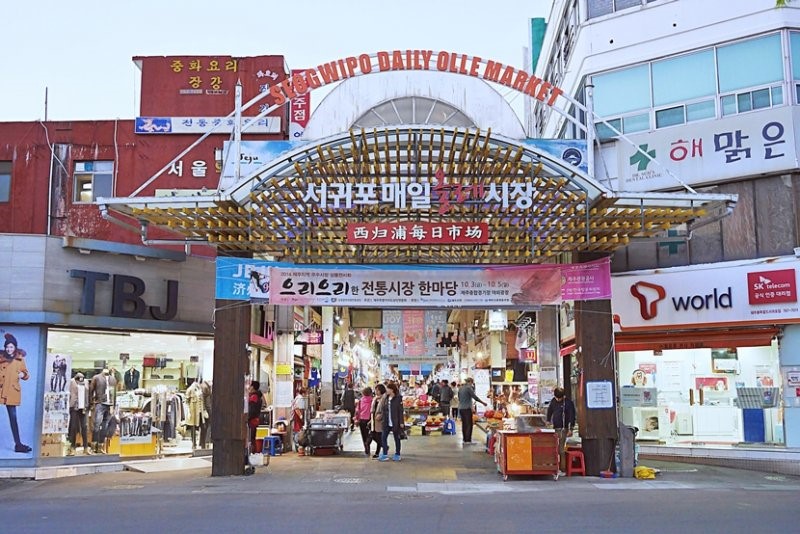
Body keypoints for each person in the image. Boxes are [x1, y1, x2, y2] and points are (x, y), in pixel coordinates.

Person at [0, 333, 32, 453]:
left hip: (11, 390)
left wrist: (22, 375)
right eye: (7, 347)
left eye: (11, 347)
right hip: (1, 388)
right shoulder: (0, 358)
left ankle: (18, 444)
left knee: (13, 418)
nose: (9, 349)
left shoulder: (20, 359)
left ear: (15, 348)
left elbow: (27, 374)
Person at [546, 387, 576, 475]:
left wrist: (571, 429)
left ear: (563, 396)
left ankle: (562, 469)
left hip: (563, 428)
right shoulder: (553, 401)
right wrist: (548, 420)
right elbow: (550, 411)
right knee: (554, 448)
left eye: (559, 398)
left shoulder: (568, 403)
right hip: (555, 428)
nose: (557, 399)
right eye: (556, 398)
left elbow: (572, 416)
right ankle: (554, 466)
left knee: (561, 449)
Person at [89, 367, 117, 454]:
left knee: (105, 426)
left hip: (109, 404)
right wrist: (91, 403)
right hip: (100, 403)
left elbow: (114, 393)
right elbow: (91, 391)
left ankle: (100, 446)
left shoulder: (113, 379)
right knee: (97, 424)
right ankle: (94, 446)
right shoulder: (96, 377)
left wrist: (114, 405)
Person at [457, 377, 487, 445]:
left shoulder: (461, 388)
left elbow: (459, 398)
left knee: (464, 424)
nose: (472, 384)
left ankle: (465, 439)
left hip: (461, 408)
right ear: (470, 382)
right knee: (469, 424)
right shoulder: (468, 388)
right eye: (472, 383)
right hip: (467, 409)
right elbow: (475, 397)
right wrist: (483, 403)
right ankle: (468, 440)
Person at [379, 382, 404, 462]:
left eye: (387, 388)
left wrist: (401, 422)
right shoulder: (385, 397)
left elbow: (400, 411)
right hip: (386, 421)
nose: (386, 390)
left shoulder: (398, 398)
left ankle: (397, 454)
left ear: (392, 389)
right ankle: (385, 454)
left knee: (397, 438)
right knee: (383, 437)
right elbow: (383, 408)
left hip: (395, 422)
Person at [67, 373, 91, 456]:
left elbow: (88, 394)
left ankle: (86, 447)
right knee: (73, 427)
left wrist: (88, 405)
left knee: (84, 427)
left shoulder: (86, 382)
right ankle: (72, 447)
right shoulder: (71, 382)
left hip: (83, 407)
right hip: (74, 407)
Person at [355, 386, 374, 456]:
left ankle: (367, 448)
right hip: (370, 419)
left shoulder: (360, 401)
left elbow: (357, 411)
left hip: (362, 419)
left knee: (364, 434)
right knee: (371, 433)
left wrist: (357, 419)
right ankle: (368, 442)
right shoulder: (372, 401)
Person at [247, 381, 263, 452]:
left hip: (252, 421)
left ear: (252, 387)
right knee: (252, 438)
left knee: (251, 438)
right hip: (255, 420)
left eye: (250, 386)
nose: (249, 388)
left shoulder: (254, 397)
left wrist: (247, 418)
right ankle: (253, 453)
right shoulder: (257, 396)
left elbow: (252, 410)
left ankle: (252, 454)